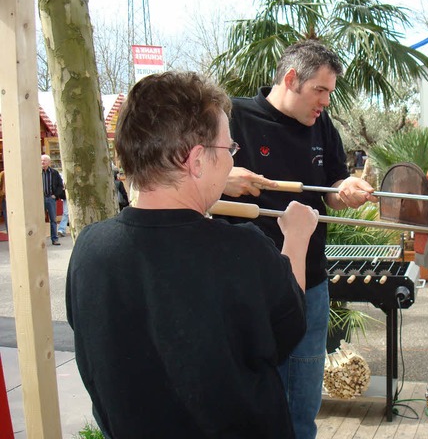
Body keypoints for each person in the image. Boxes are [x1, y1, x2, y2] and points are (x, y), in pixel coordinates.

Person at [66, 71, 319, 438]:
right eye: (229, 149)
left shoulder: (89, 249)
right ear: (197, 160)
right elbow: (289, 325)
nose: (232, 162)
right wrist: (296, 238)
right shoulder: (243, 251)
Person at [221, 40, 376, 439]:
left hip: (309, 283)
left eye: (330, 92)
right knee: (241, 399)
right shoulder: (232, 117)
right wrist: (223, 179)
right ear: (291, 79)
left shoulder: (321, 125)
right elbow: (185, 181)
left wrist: (346, 189)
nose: (325, 101)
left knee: (301, 406)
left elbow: (330, 187)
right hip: (243, 286)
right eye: (319, 90)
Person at [41, 154, 64, 245]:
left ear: (49, 162)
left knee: (53, 219)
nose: (42, 162)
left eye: (44, 161)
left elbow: (60, 185)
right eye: (41, 161)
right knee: (39, 219)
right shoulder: (37, 172)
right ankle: (40, 240)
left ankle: (54, 239)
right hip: (40, 198)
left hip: (50, 198)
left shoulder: (54, 173)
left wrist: (55, 195)